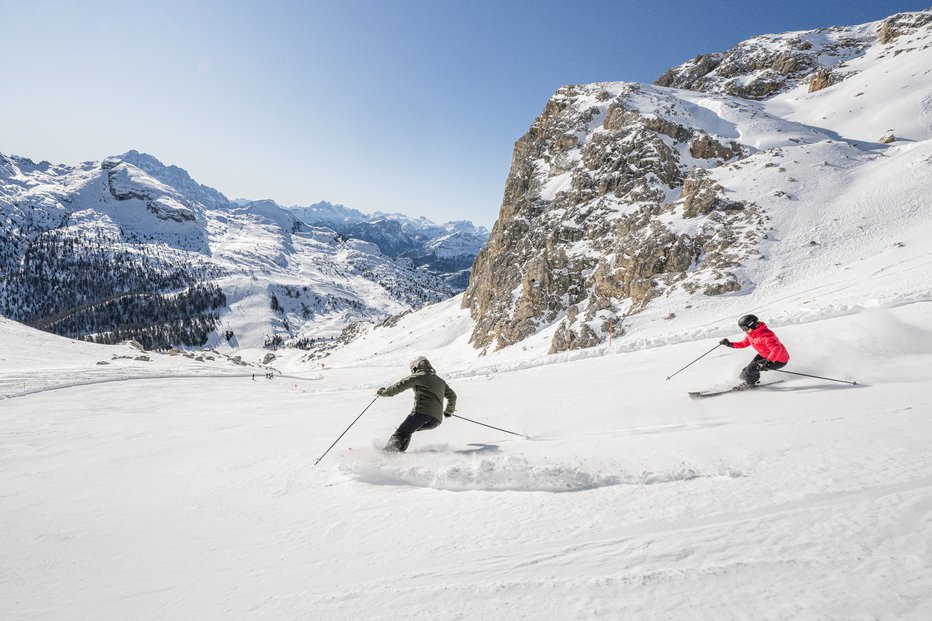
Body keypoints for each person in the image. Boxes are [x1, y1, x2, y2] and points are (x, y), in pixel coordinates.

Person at [377, 357, 457, 452]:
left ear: (416, 367)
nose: (412, 372)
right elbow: (453, 396)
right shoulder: (440, 381)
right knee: (407, 431)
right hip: (436, 421)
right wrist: (448, 411)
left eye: (412, 370)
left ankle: (388, 452)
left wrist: (383, 392)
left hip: (421, 414)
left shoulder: (418, 376)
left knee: (400, 433)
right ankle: (399, 452)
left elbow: (399, 386)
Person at [720, 314, 789, 388]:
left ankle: (750, 384)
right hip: (764, 355)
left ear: (752, 325)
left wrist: (769, 362)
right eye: (742, 328)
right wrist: (729, 344)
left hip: (778, 359)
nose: (744, 330)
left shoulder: (766, 335)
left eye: (745, 327)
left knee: (752, 369)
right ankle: (739, 381)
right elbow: (743, 344)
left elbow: (776, 349)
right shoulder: (752, 334)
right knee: (746, 370)